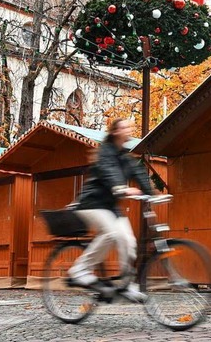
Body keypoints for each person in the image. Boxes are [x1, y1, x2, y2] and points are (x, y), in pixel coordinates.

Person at [68, 118, 152, 302]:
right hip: (91, 203)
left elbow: (139, 174)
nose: (129, 129)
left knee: (129, 242)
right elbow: (109, 171)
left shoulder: (126, 157)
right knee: (112, 233)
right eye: (124, 127)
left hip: (110, 208)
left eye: (130, 127)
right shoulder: (105, 152)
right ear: (115, 131)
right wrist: (121, 187)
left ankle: (126, 285)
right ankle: (79, 270)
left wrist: (152, 193)